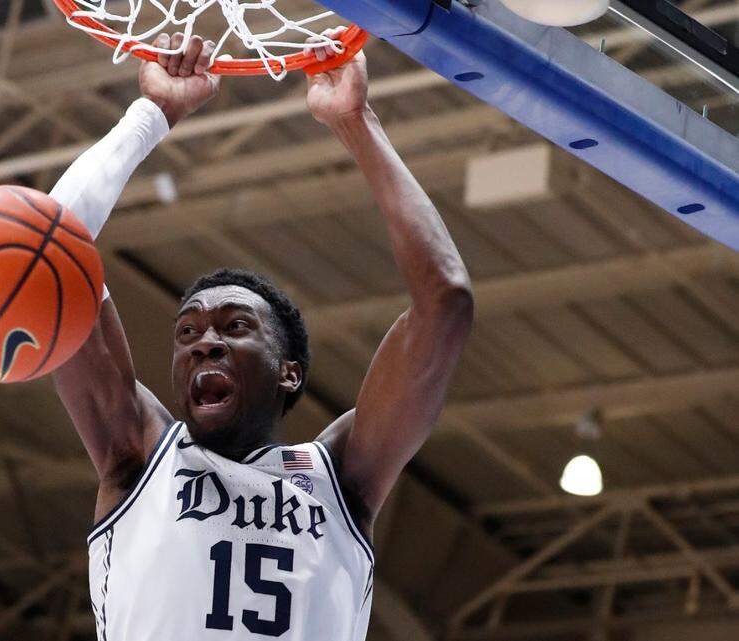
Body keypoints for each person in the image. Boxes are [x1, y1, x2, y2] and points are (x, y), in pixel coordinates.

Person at [48, 29, 473, 641]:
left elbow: (446, 303)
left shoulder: (341, 480)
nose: (204, 342)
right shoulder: (138, 456)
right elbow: (48, 251)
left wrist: (356, 121)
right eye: (188, 330)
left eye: (235, 327)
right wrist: (153, 114)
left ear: (289, 371)